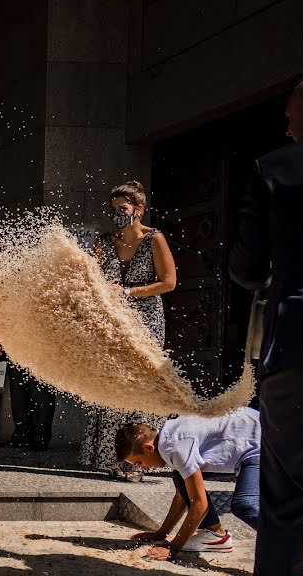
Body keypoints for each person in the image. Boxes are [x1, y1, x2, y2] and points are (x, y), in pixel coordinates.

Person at [229, 68, 303, 576]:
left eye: (289, 111)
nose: (285, 123)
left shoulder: (277, 167)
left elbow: (245, 269)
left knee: (287, 497)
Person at [116, 415, 303, 574]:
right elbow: (183, 496)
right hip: (256, 439)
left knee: (245, 504)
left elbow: (200, 505)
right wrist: (161, 534)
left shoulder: (176, 446)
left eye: (138, 462)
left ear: (148, 447)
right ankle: (217, 537)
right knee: (180, 478)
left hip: (265, 443)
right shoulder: (169, 438)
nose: (142, 468)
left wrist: (172, 549)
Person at [80, 180, 177, 478]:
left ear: (138, 209)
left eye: (122, 209)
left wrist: (126, 292)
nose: (117, 215)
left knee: (138, 387)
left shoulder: (154, 239)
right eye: (113, 210)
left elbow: (168, 282)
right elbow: (93, 280)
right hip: (112, 322)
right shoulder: (104, 241)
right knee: (112, 384)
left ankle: (140, 460)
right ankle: (112, 458)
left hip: (145, 321)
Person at [0, 362, 57, 451]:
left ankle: (40, 438)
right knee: (18, 389)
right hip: (17, 351)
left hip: (41, 352)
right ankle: (22, 435)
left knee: (40, 389)